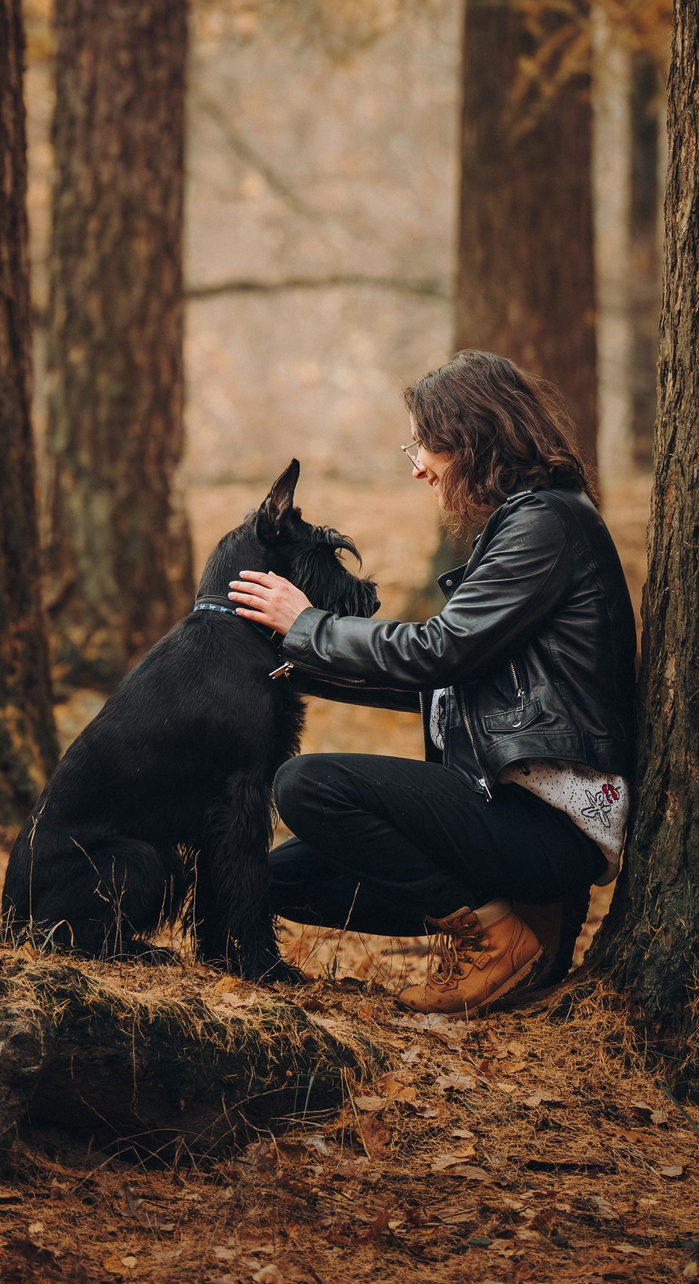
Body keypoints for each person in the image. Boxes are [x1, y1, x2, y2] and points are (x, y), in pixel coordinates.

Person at [226, 350, 638, 1017]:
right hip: (502, 815)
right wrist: (286, 660)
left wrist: (308, 624)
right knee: (267, 881)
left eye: (425, 445)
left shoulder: (547, 524)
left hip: (546, 825)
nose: (417, 465)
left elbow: (437, 652)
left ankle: (498, 936)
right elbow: (436, 681)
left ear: (472, 438)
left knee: (306, 785)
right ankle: (511, 922)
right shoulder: (522, 526)